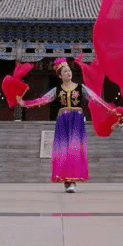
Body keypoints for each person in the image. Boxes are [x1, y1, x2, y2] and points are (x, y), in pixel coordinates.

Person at [17, 58, 96, 193]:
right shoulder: (56, 90)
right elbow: (42, 100)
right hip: (63, 120)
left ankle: (72, 180)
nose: (68, 73)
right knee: (64, 150)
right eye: (65, 71)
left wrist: (112, 110)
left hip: (76, 120)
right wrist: (26, 104)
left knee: (75, 149)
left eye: (69, 71)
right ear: (60, 75)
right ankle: (67, 180)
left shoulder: (81, 88)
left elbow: (96, 99)